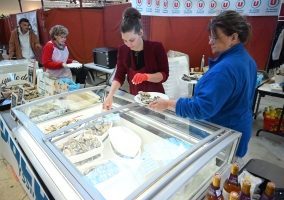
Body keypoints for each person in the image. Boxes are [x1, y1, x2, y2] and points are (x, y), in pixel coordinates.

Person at [149, 10, 257, 159]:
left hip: (221, 138)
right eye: (210, 36)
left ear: (233, 37)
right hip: (238, 130)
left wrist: (167, 104)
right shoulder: (248, 60)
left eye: (215, 37)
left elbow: (201, 108)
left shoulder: (224, 70)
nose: (210, 41)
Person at [103, 7, 169, 110]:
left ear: (141, 33)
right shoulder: (123, 50)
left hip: (156, 100)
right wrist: (110, 95)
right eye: (125, 40)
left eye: (132, 40)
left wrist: (146, 77)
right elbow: (119, 76)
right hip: (136, 98)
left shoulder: (156, 47)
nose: (129, 44)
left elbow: (164, 75)